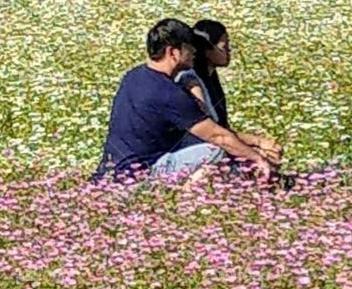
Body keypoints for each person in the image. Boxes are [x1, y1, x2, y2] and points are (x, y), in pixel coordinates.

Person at [93, 18, 274, 183]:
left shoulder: (134, 76)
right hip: (142, 172)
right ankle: (184, 198)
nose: (195, 52)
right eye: (190, 48)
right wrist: (258, 159)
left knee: (222, 155)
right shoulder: (167, 92)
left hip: (113, 170)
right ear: (173, 52)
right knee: (214, 151)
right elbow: (217, 136)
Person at [175, 19, 283, 168]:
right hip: (199, 149)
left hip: (215, 143)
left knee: (268, 154)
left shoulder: (211, 77)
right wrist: (257, 143)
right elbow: (212, 132)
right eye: (224, 46)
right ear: (207, 50)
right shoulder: (192, 81)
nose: (229, 51)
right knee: (260, 157)